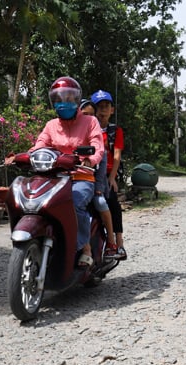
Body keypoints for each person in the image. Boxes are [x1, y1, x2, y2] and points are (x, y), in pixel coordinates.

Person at [5, 77, 104, 268]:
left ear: (76, 100)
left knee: (75, 202)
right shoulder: (51, 125)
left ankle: (85, 249)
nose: (63, 103)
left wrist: (89, 159)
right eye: (58, 99)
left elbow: (97, 146)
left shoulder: (90, 121)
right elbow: (40, 145)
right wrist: (22, 156)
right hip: (54, 177)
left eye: (68, 98)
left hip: (80, 176)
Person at [90, 89, 127, 260]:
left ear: (112, 110)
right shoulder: (88, 129)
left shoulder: (115, 131)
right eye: (99, 107)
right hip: (89, 171)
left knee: (112, 200)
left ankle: (118, 243)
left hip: (107, 174)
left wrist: (112, 178)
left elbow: (117, 155)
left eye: (106, 106)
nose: (102, 110)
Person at [79, 99, 118, 258]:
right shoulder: (73, 135)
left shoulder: (97, 139)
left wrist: (99, 189)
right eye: (84, 115)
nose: (88, 118)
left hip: (95, 183)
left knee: (100, 202)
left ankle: (111, 240)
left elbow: (100, 166)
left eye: (91, 115)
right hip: (73, 181)